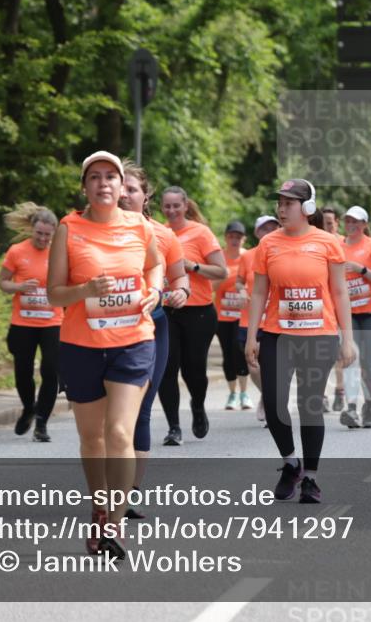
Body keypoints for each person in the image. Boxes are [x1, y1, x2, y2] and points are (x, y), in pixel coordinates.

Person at [47, 151, 162, 557]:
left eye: (110, 177)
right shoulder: (68, 228)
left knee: (119, 433)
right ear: (85, 187)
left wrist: (155, 291)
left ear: (120, 185)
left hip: (133, 341)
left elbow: (156, 264)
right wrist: (85, 291)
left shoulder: (139, 226)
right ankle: (100, 506)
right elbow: (54, 293)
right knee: (92, 438)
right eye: (94, 177)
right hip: (81, 344)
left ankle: (115, 523)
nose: (103, 183)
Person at [245, 179, 355, 504]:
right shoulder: (268, 245)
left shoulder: (329, 243)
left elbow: (339, 292)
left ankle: (310, 478)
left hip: (319, 334)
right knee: (275, 402)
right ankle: (291, 462)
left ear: (307, 208)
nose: (282, 208)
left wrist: (347, 339)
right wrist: (252, 336)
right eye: (280, 202)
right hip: (279, 334)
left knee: (310, 406)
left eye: (289, 203)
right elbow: (259, 292)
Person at [119, 161, 189, 516]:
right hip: (105, 333)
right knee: (108, 417)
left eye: (132, 189)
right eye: (120, 187)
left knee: (142, 410)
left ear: (146, 196)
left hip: (153, 328)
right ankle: (106, 490)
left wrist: (181, 294)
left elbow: (179, 279)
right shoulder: (92, 231)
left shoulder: (162, 235)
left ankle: (128, 494)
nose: (124, 194)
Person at [159, 186, 227, 445]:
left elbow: (222, 272)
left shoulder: (201, 233)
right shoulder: (160, 234)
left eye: (177, 205)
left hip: (198, 311)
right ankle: (173, 427)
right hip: (167, 310)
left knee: (193, 370)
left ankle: (197, 407)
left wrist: (193, 267)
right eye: (167, 206)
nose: (172, 210)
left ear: (186, 205)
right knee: (167, 368)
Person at [0, 202, 63, 442]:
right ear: (32, 230)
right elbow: (2, 282)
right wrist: (19, 286)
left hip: (52, 322)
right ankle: (28, 407)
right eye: (39, 234)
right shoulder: (17, 251)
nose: (43, 239)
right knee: (23, 372)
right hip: (23, 323)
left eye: (48, 235)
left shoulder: (59, 252)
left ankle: (42, 423)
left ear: (54, 233)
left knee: (51, 371)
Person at [339, 206, 371, 429]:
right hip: (346, 313)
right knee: (350, 358)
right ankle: (351, 408)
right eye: (348, 220)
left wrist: (362, 270)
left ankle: (367, 405)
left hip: (370, 312)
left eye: (356, 221)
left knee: (367, 361)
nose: (351, 224)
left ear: (364, 224)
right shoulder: (337, 246)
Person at [237, 215, 280, 425]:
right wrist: (241, 292)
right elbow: (239, 281)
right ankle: (268, 394)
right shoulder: (247, 257)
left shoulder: (282, 252)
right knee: (252, 365)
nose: (269, 231)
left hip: (274, 319)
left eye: (273, 227)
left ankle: (269, 398)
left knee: (271, 366)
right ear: (257, 233)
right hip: (250, 319)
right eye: (264, 228)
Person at [214, 221, 250, 410]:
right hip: (223, 316)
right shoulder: (219, 257)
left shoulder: (247, 257)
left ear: (243, 239)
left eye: (238, 236)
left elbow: (252, 284)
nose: (234, 240)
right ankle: (232, 394)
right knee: (228, 354)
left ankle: (244, 393)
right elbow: (210, 287)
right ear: (226, 237)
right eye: (231, 236)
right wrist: (222, 278)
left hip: (242, 315)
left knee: (240, 352)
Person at [320, 205, 346, 412]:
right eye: (323, 223)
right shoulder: (316, 241)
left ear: (337, 223)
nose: (327, 227)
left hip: (338, 303)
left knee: (337, 352)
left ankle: (339, 389)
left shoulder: (343, 243)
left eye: (330, 223)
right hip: (320, 304)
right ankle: (321, 394)